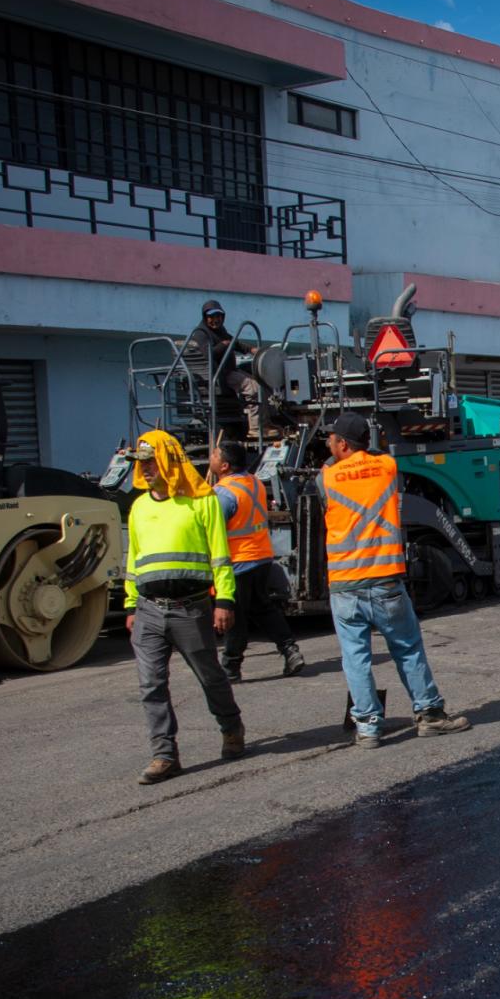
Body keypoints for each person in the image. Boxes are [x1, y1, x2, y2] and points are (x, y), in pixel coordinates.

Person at [320, 413, 471, 746]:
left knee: (355, 659)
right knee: (407, 649)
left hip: (345, 585)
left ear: (343, 445)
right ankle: (430, 714)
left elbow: (332, 467)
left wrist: (338, 456)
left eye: (332, 439)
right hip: (386, 580)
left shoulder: (327, 478)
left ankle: (368, 728)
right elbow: (377, 456)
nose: (328, 443)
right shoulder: (387, 468)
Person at [125, 429, 244, 783]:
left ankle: (231, 726)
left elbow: (221, 558)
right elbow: (134, 560)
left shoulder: (202, 500)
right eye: (141, 464)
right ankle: (164, 754)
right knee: (151, 685)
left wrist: (224, 600)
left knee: (210, 676)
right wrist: (131, 605)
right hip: (148, 609)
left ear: (169, 461)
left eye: (151, 462)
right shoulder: (139, 507)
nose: (145, 470)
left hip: (191, 608)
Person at [209, 438, 305, 682]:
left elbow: (211, 529)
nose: (211, 457)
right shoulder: (254, 483)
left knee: (235, 616)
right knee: (263, 608)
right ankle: (289, 649)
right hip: (261, 557)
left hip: (237, 562)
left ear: (225, 466)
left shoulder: (223, 494)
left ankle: (231, 666)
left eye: (215, 455)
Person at [183, 299, 267, 437]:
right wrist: (223, 345)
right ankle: (256, 429)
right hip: (219, 375)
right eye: (211, 317)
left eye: (218, 316)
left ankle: (266, 424)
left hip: (228, 371)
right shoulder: (201, 334)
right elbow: (208, 354)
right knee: (253, 387)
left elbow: (234, 343)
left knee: (262, 383)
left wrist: (251, 349)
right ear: (205, 318)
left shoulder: (221, 331)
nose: (215, 320)